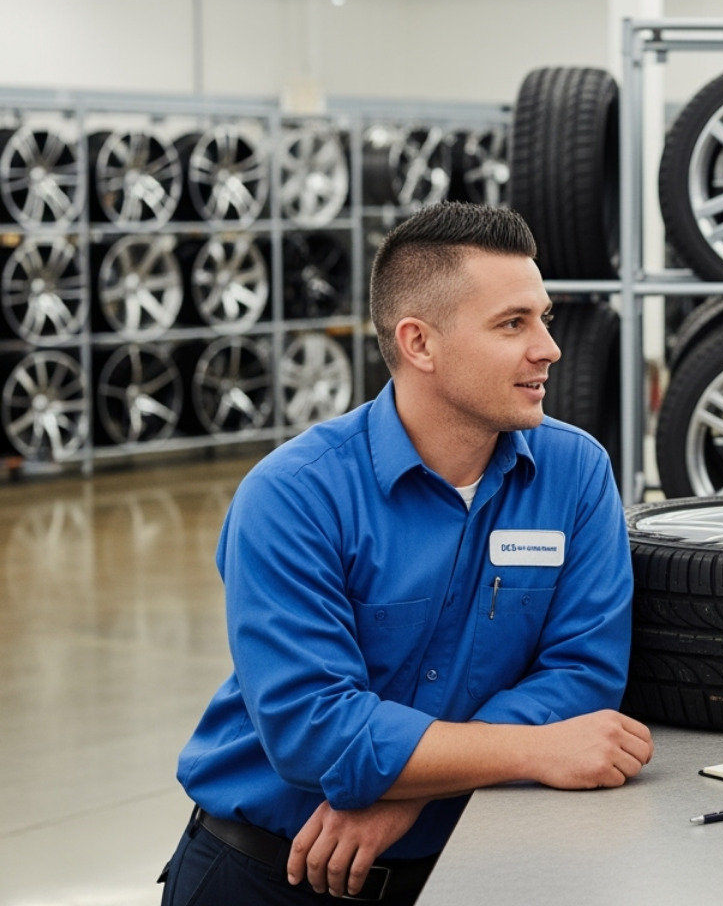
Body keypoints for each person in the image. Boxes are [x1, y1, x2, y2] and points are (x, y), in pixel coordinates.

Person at [160, 203, 653, 905]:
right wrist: (532, 748)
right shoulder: (294, 495)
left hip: (473, 868)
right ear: (419, 343)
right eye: (513, 324)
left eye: (543, 318)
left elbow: (582, 673)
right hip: (271, 873)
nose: (548, 347)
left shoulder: (575, 473)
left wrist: (409, 792)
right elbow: (314, 730)